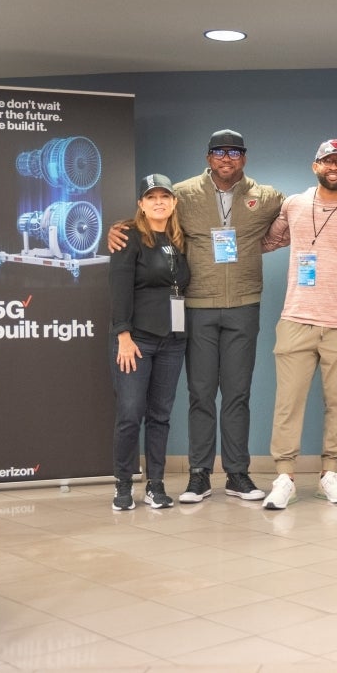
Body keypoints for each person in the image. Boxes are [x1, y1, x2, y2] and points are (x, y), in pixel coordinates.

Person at [108, 129, 284, 504]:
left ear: (244, 158)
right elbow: (150, 217)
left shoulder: (265, 197)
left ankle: (237, 474)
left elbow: (307, 208)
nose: (226, 158)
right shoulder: (183, 194)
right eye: (219, 151)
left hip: (243, 304)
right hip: (196, 309)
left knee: (237, 393)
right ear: (208, 157)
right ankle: (199, 475)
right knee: (201, 394)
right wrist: (116, 230)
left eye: (234, 152)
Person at [260, 139, 337, 509]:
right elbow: (266, 241)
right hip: (297, 318)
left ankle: (330, 475)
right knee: (288, 404)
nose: (333, 167)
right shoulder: (294, 204)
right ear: (315, 166)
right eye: (327, 162)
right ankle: (284, 477)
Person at [109, 174, 191, 510]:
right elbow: (118, 288)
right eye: (151, 197)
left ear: (173, 203)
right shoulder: (128, 237)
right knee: (130, 413)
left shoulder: (180, 240)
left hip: (173, 341)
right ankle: (123, 484)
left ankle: (155, 485)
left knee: (161, 415)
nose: (159, 202)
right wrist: (123, 337)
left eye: (165, 197)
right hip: (136, 341)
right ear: (141, 205)